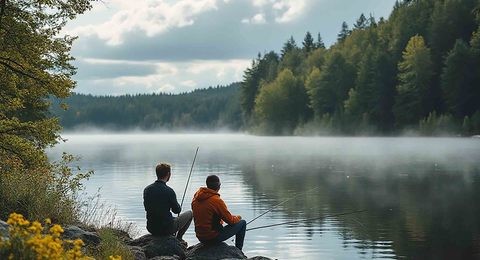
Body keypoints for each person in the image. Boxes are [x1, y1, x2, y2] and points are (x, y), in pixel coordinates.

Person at [191, 175, 247, 250]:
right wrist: (238, 217)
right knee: (242, 223)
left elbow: (207, 216)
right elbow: (231, 221)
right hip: (212, 237)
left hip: (200, 236)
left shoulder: (196, 198)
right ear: (219, 186)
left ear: (207, 185)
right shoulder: (216, 201)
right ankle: (239, 251)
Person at [143, 163, 192, 241]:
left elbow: (147, 207)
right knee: (190, 214)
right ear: (168, 174)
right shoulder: (169, 191)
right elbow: (177, 210)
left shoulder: (147, 189)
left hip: (151, 228)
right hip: (167, 229)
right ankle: (179, 239)